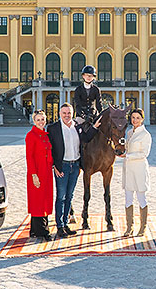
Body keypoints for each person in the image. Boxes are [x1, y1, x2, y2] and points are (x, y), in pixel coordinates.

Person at [47, 103, 100, 237]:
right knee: (61, 197)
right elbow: (49, 149)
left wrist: (94, 127)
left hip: (75, 166)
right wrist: (54, 166)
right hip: (62, 167)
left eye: (69, 113)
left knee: (69, 197)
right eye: (64, 113)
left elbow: (86, 138)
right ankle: (59, 226)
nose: (66, 115)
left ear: (72, 113)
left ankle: (65, 224)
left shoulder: (77, 126)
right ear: (60, 113)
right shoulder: (53, 128)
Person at [119, 107, 152, 237]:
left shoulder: (145, 135)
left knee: (141, 198)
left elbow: (144, 154)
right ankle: (129, 227)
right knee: (128, 199)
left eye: (138, 118)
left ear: (142, 119)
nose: (135, 120)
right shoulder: (129, 133)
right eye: (133, 117)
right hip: (128, 169)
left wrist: (127, 156)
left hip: (139, 169)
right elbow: (126, 146)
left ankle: (143, 227)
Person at [24, 110, 54, 240]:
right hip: (36, 172)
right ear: (34, 121)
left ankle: (34, 230)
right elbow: (29, 157)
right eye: (38, 120)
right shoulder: (31, 136)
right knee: (37, 201)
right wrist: (33, 175)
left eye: (43, 119)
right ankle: (42, 231)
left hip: (47, 171)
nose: (41, 122)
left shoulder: (46, 135)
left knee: (45, 199)